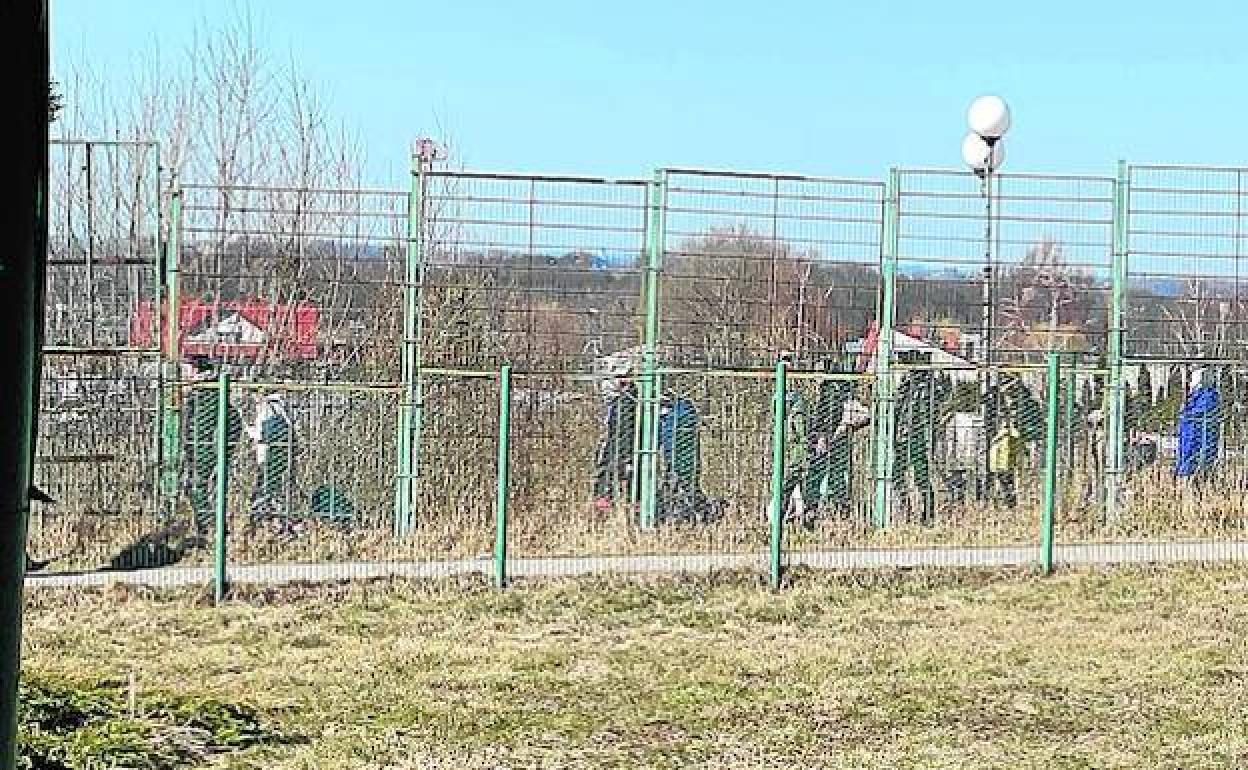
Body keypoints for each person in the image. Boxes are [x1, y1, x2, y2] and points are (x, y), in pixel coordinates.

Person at [182, 356, 243, 539]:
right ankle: (214, 526)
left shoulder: (204, 395)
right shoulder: (213, 392)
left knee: (195, 487)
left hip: (204, 449)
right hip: (208, 448)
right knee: (213, 490)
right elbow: (235, 422)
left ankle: (208, 527)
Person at [592, 360, 637, 512]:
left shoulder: (628, 401)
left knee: (614, 466)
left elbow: (623, 429)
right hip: (617, 443)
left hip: (623, 445)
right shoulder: (620, 400)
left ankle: (610, 497)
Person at [247, 391, 295, 520]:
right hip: (282, 454)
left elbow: (262, 434)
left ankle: (265, 516)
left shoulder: (268, 407)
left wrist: (249, 431)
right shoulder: (282, 407)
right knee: (274, 487)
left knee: (265, 487)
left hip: (268, 454)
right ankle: (274, 515)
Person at [1177, 367, 1221, 482]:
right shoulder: (1198, 398)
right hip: (1193, 441)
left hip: (1198, 441)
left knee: (1197, 461)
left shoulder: (1208, 396)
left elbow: (1200, 413)